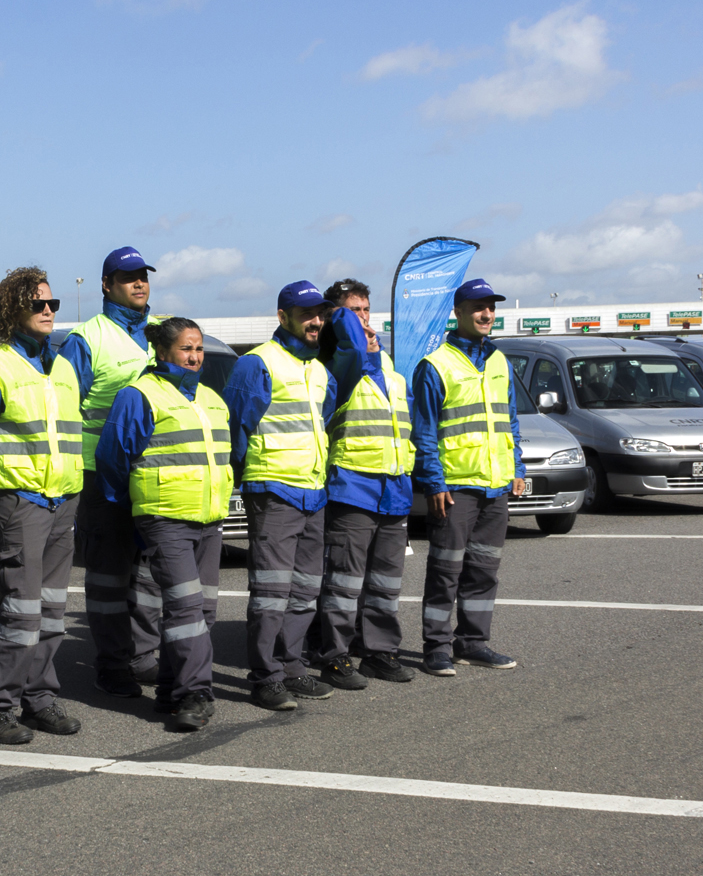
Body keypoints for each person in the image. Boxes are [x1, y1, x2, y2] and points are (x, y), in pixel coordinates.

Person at [0, 266, 85, 744]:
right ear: (14, 311)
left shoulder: (65, 366)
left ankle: (39, 699)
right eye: (39, 304)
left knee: (53, 610)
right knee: (22, 611)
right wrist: (1, 489)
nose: (49, 310)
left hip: (64, 500)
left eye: (52, 303)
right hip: (23, 502)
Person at [95, 317, 233, 731]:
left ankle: (172, 689)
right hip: (165, 519)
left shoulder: (210, 397)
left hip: (208, 519)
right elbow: (111, 459)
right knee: (186, 608)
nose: (194, 357)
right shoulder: (138, 395)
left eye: (199, 349)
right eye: (186, 349)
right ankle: (196, 695)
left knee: (204, 611)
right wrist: (135, 509)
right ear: (163, 351)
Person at [223, 280, 340, 711]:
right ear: (282, 316)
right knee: (271, 592)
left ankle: (291, 666)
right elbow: (236, 430)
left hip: (313, 492)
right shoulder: (257, 365)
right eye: (307, 313)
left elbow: (322, 424)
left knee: (305, 590)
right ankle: (266, 676)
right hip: (273, 491)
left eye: (320, 314)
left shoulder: (320, 369)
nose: (315, 321)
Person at [58, 246, 160, 698]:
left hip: (155, 472)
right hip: (102, 474)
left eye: (142, 276)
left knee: (152, 572)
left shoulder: (161, 334)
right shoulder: (88, 338)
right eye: (127, 277)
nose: (138, 283)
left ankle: (145, 655)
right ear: (106, 285)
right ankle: (113, 662)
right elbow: (63, 409)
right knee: (108, 574)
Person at [412, 278, 524, 674]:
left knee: (484, 571)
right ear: (457, 313)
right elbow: (423, 432)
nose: (486, 314)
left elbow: (509, 421)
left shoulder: (499, 361)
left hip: (495, 486)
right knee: (446, 571)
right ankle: (437, 648)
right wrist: (435, 482)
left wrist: (517, 468)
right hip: (456, 487)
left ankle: (473, 642)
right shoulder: (435, 365)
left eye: (491, 307)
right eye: (478, 307)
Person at [314, 278, 418, 690]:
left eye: (366, 310)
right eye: (354, 311)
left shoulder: (390, 370)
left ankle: (379, 652)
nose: (364, 319)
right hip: (353, 488)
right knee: (344, 581)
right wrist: (344, 323)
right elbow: (350, 344)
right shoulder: (340, 364)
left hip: (394, 490)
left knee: (386, 582)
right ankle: (335, 655)